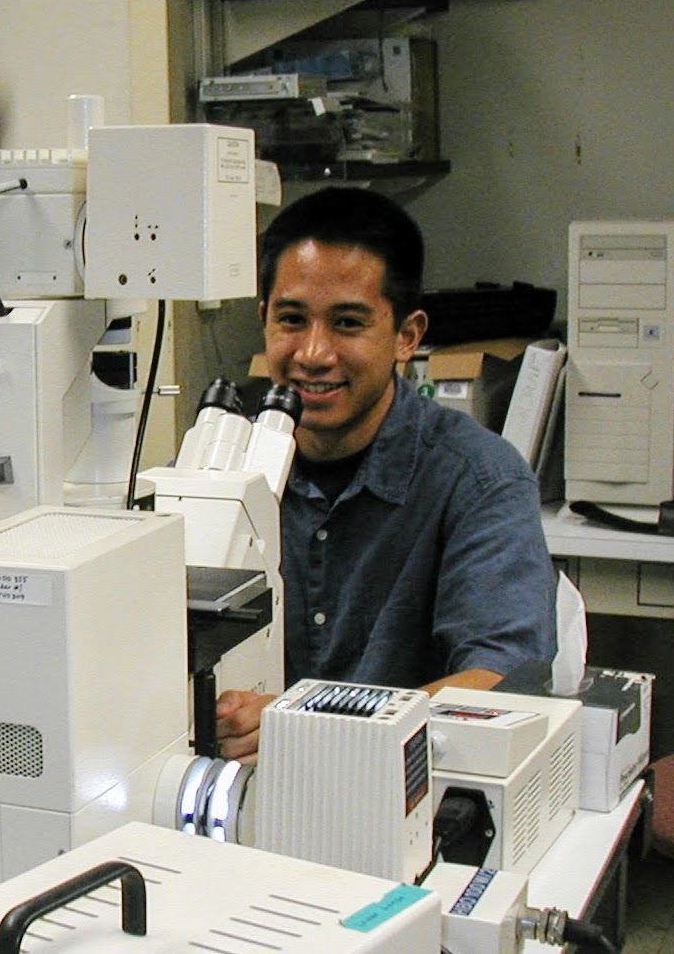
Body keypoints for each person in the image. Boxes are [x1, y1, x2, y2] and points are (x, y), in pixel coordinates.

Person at [216, 187, 557, 763]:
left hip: (403, 786)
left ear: (407, 335)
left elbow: (501, 682)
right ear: (264, 320)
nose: (314, 354)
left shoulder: (479, 480)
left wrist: (303, 725)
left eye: (348, 323)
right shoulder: (219, 466)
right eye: (292, 320)